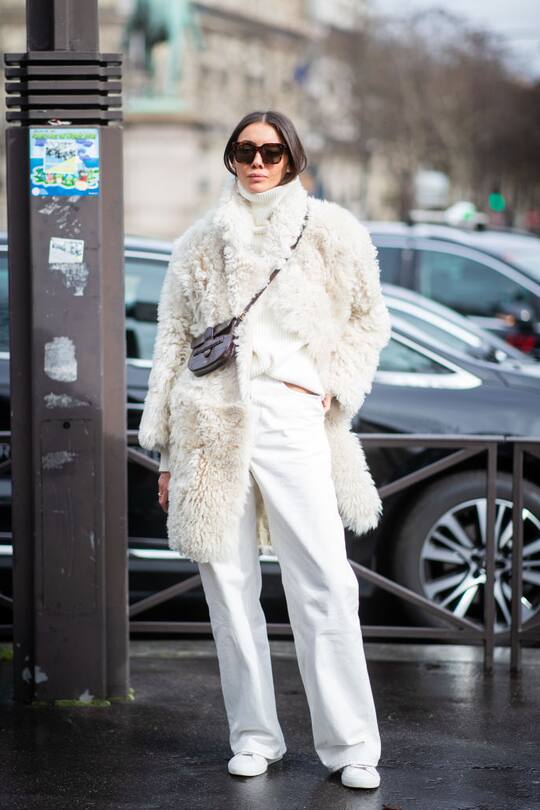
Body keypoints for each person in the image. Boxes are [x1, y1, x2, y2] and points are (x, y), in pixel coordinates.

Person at [138, 110, 392, 790]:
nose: (257, 161)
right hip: (210, 422)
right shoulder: (197, 242)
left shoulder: (331, 232)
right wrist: (165, 450)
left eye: (271, 151)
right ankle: (253, 734)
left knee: (325, 582)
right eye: (245, 150)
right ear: (229, 158)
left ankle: (352, 746)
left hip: (291, 416)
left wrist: (332, 390)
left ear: (292, 159)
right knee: (227, 584)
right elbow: (172, 345)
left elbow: (371, 320)